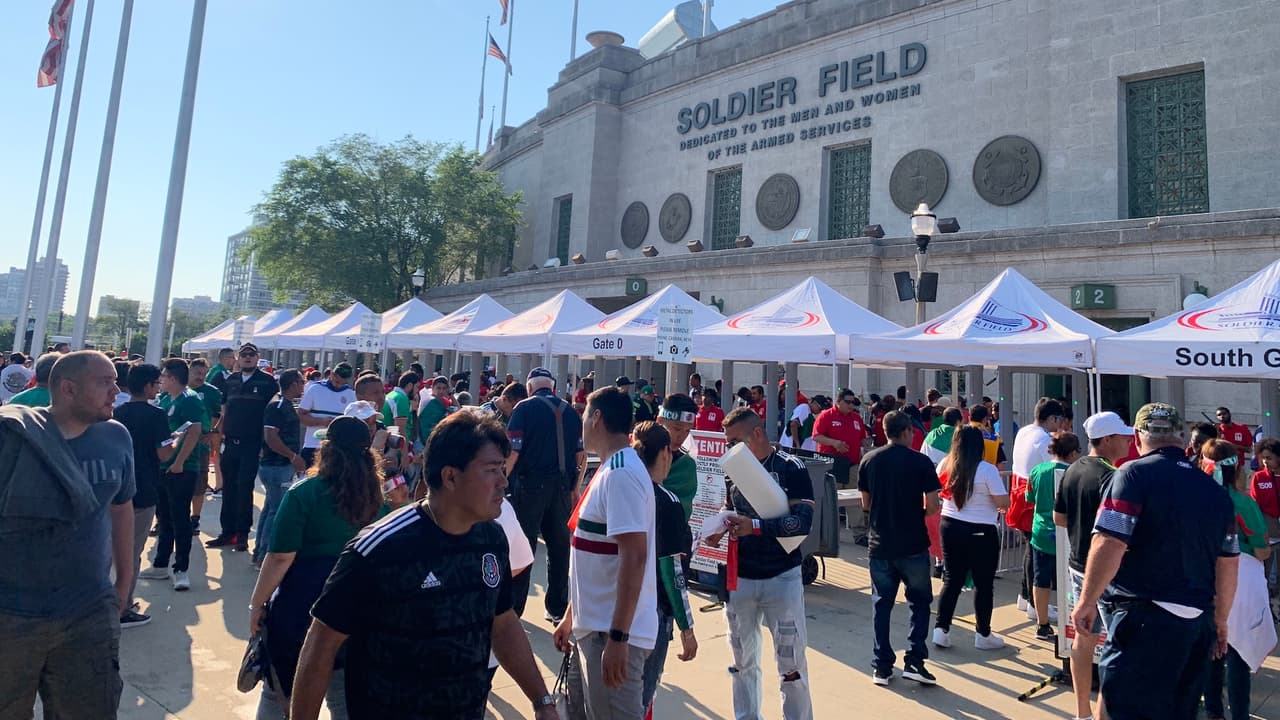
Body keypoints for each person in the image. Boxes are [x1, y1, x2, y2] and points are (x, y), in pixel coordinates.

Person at [292, 411, 557, 720]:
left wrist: (542, 700)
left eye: (502, 468)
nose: (503, 481)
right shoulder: (380, 548)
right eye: (491, 470)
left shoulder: (491, 538)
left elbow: (503, 622)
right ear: (450, 476)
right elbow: (321, 644)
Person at [1071, 403, 1239, 720]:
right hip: (1196, 622)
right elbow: (1228, 561)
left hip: (1143, 617)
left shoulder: (1132, 474)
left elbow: (1110, 541)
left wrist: (1087, 600)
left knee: (1123, 708)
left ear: (1137, 437)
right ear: (1181, 439)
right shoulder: (1214, 490)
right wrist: (1221, 619)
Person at [0, 351, 135, 718]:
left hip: (88, 611)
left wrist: (124, 582)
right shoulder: (11, 437)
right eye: (104, 382)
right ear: (68, 388)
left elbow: (122, 508)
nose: (115, 390)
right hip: (11, 613)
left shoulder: (117, 437)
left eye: (115, 381)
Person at [249, 415, 387, 719]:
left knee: (279, 693)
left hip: (302, 609)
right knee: (344, 697)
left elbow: (280, 557)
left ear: (327, 449)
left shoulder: (304, 493)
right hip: (360, 611)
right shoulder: (380, 497)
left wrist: (257, 604)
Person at [551, 388, 655, 719]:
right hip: (594, 628)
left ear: (597, 418)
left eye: (584, 413)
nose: (581, 420)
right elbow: (597, 554)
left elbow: (634, 557)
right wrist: (572, 615)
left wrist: (619, 636)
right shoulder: (613, 468)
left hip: (609, 633)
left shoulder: (621, 472)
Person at [713, 408, 815, 718]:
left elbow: (803, 523)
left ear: (756, 434)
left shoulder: (791, 468)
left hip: (781, 577)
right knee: (741, 661)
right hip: (740, 577)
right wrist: (719, 526)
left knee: (791, 665)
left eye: (734, 442)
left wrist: (755, 526)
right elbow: (729, 506)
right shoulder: (734, 468)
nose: (729, 449)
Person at [1054, 411, 1132, 720]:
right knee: (1117, 646)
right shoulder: (1113, 477)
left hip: (1077, 567)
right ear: (1108, 439)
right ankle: (1103, 715)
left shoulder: (1073, 469)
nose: (1129, 441)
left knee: (1083, 640)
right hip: (1106, 573)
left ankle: (1082, 712)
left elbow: (1060, 518)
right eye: (1124, 436)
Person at [858, 410, 942, 686]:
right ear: (906, 431)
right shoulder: (921, 462)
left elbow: (865, 503)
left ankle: (881, 665)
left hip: (880, 543)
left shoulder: (869, 460)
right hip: (913, 543)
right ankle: (915, 661)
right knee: (919, 602)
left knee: (882, 604)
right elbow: (932, 506)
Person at [1199, 438, 1272, 720]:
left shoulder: (1194, 499)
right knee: (1238, 654)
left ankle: (1213, 712)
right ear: (1237, 467)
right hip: (1241, 583)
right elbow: (1263, 550)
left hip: (1203, 579)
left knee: (1211, 652)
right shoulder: (1243, 503)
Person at [506, 367, 586, 621]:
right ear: (552, 387)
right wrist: (576, 488)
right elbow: (581, 456)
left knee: (523, 547)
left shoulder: (523, 409)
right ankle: (557, 608)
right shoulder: (571, 412)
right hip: (562, 486)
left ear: (530, 388)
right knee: (560, 547)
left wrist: (501, 481)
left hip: (530, 485)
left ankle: (515, 608)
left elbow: (514, 452)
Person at [629, 421, 698, 716]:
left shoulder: (615, 487)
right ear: (665, 456)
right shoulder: (667, 502)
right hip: (650, 612)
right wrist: (687, 627)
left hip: (608, 608)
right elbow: (672, 571)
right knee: (640, 698)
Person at [931, 425, 1010, 651]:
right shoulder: (987, 470)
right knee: (984, 584)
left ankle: (941, 629)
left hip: (949, 525)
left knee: (951, 579)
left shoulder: (945, 465)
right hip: (981, 530)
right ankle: (983, 633)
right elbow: (1002, 502)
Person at [112, 363, 172, 628]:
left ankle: (105, 602)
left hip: (114, 488)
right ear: (149, 386)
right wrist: (178, 441)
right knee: (132, 552)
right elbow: (164, 454)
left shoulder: (117, 412)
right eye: (157, 384)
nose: (158, 388)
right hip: (143, 488)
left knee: (105, 551)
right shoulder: (157, 415)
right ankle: (122, 607)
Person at [138, 359, 205, 591]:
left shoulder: (190, 400)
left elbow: (195, 431)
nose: (161, 381)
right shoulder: (165, 400)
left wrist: (179, 462)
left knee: (180, 519)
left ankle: (181, 569)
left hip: (182, 469)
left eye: (164, 377)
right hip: (163, 468)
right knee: (164, 517)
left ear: (173, 378)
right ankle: (160, 564)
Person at [210, 343, 279, 552]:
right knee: (228, 487)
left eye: (252, 355)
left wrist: (265, 444)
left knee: (244, 486)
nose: (248, 358)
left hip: (253, 443)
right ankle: (227, 532)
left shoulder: (267, 382)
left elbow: (272, 415)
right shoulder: (230, 380)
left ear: (258, 358)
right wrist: (217, 435)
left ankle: (242, 534)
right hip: (231, 441)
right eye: (244, 355)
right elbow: (224, 411)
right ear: (238, 358)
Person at [1009, 397, 1065, 616]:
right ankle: (1035, 603)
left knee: (1030, 551)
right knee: (1038, 555)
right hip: (1034, 501)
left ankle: (1025, 596)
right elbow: (1056, 466)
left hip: (1021, 494)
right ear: (1051, 418)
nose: (1060, 424)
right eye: (1058, 419)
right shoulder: (1043, 439)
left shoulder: (1024, 431)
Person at [1027, 433, 1081, 640]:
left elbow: (1029, 497)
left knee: (1041, 579)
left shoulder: (1037, 470)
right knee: (1070, 580)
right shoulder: (1076, 473)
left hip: (1040, 532)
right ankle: (1070, 623)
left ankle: (1042, 624)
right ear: (1073, 452)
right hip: (1068, 533)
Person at [252, 369, 307, 569]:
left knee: (269, 508)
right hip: (277, 466)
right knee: (276, 511)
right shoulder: (278, 406)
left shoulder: (281, 404)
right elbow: (271, 437)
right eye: (301, 382)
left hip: (276, 465)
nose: (304, 386)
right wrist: (292, 456)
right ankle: (263, 556)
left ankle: (259, 551)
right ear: (293, 384)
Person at [187, 357, 223, 537]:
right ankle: (165, 520)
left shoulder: (212, 392)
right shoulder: (179, 389)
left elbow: (220, 414)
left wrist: (214, 432)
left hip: (200, 445)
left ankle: (195, 518)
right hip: (177, 444)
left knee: (199, 483)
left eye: (204, 373)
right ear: (189, 371)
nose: (200, 377)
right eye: (197, 373)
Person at [297, 361, 356, 468]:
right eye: (337, 381)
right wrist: (321, 421)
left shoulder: (351, 395)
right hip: (313, 445)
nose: (338, 385)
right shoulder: (315, 389)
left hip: (337, 449)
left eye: (342, 383)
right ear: (332, 374)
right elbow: (301, 415)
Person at [655, 393, 699, 518]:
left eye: (687, 431)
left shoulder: (685, 465)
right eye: (677, 428)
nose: (682, 436)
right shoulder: (634, 454)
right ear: (660, 421)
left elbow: (682, 511)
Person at [812, 389, 867, 488]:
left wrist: (864, 449)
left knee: (853, 498)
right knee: (833, 497)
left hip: (853, 466)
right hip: (832, 465)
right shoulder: (826, 416)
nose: (851, 405)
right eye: (848, 402)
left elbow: (862, 438)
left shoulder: (856, 418)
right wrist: (834, 443)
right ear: (838, 401)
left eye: (853, 402)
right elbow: (816, 436)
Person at [380, 371, 419, 442]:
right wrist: (405, 453)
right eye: (417, 387)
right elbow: (401, 431)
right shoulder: (401, 399)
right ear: (410, 386)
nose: (417, 390)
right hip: (391, 446)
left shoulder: (392, 394)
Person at [416, 375, 454, 446]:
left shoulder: (445, 401)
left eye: (444, 388)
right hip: (424, 439)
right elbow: (422, 421)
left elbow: (458, 411)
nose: (441, 391)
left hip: (439, 438)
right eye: (438, 388)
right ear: (432, 388)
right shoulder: (427, 400)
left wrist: (451, 394)